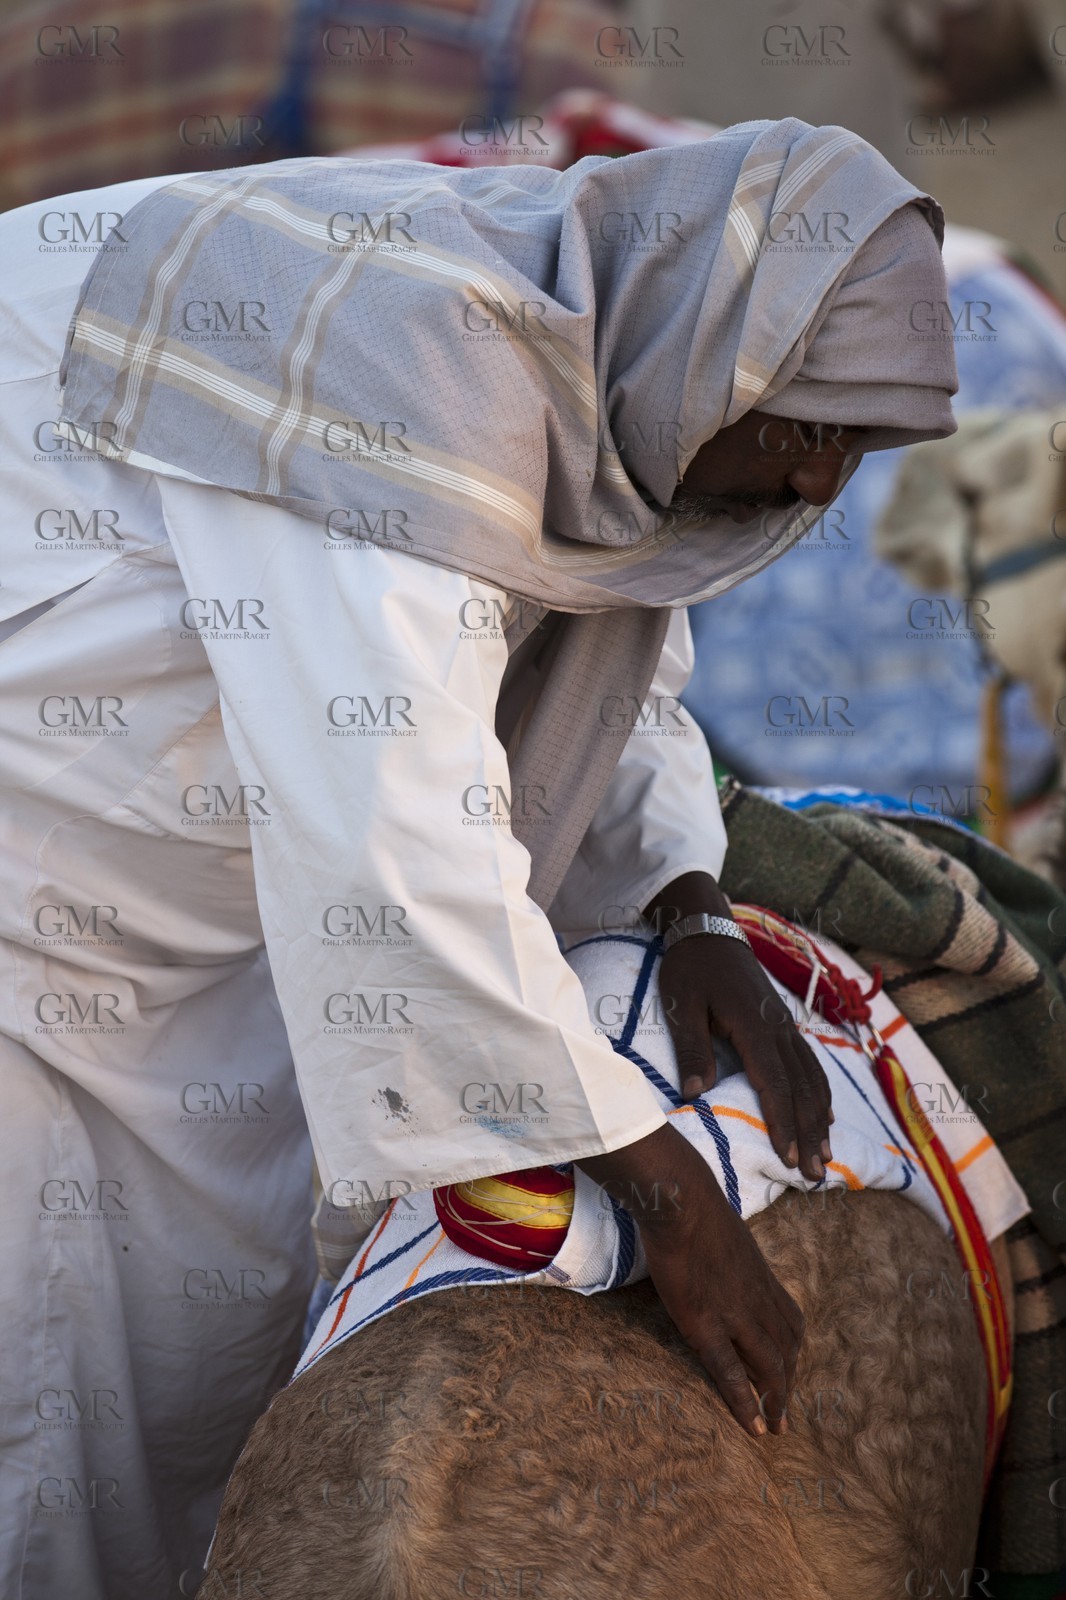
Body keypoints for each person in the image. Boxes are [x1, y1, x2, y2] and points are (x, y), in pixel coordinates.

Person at [0, 118, 956, 1599]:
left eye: (857, 445)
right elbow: (391, 825)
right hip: (38, 875)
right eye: (811, 425)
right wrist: (667, 1197)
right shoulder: (411, 367)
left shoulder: (603, 361)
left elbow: (600, 624)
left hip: (185, 886)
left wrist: (683, 899)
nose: (816, 484)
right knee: (50, 1375)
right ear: (718, 351)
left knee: (213, 1334)